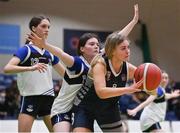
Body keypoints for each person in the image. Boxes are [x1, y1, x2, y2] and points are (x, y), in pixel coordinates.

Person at [27, 4, 139, 132]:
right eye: (91, 44)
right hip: (63, 109)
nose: (96, 46)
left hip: (81, 106)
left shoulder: (99, 60)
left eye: (97, 44)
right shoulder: (77, 63)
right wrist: (44, 44)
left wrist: (133, 22)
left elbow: (116, 40)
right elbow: (61, 54)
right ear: (82, 49)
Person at [3, 15, 65, 132]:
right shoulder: (26, 50)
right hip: (30, 97)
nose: (47, 29)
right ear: (34, 28)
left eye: (48, 27)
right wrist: (30, 68)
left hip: (48, 98)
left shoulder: (49, 53)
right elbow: (7, 68)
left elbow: (66, 75)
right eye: (43, 26)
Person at [72, 32, 143, 132]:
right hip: (87, 106)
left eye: (128, 47)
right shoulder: (100, 64)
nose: (128, 51)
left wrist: (152, 85)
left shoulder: (128, 68)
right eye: (123, 48)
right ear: (112, 51)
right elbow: (101, 92)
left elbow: (146, 79)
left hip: (109, 108)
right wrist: (128, 89)